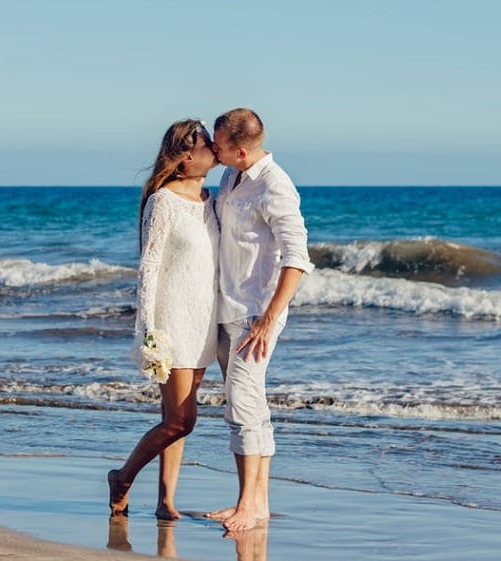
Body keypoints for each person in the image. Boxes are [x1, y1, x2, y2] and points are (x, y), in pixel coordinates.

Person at [206, 108, 313, 531]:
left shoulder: (275, 185)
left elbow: (297, 258)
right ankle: (255, 502)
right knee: (247, 406)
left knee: (243, 404)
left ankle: (249, 505)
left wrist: (269, 319)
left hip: (255, 313)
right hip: (226, 306)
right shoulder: (230, 177)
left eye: (219, 145)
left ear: (242, 150)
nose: (213, 150)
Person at [108, 119, 220, 520]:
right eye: (209, 143)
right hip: (171, 321)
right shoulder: (163, 201)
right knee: (182, 420)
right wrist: (147, 330)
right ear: (187, 155)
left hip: (205, 319)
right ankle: (122, 477)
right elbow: (149, 267)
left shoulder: (213, 199)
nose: (216, 147)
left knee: (175, 419)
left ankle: (165, 501)